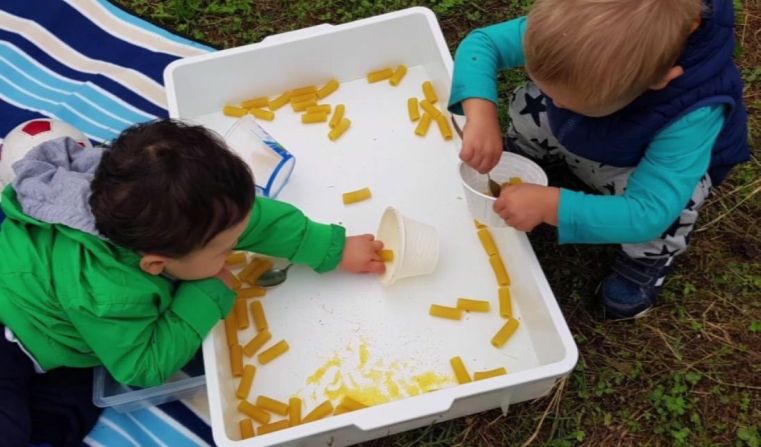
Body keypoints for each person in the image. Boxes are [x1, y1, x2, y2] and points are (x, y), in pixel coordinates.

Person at [0, 119, 385, 446]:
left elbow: (257, 221)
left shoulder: (172, 205)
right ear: (156, 265)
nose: (235, 250)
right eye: (225, 250)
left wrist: (330, 248)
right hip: (13, 338)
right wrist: (206, 294)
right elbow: (141, 366)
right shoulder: (108, 294)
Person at [449, 0, 749, 320]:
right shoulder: (581, 26)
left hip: (636, 165)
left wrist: (554, 206)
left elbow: (648, 213)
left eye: (567, 100)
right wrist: (481, 114)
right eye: (553, 95)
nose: (557, 104)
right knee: (535, 104)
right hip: (595, 130)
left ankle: (645, 261)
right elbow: (484, 43)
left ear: (658, 80)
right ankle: (530, 149)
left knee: (673, 210)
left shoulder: (694, 111)